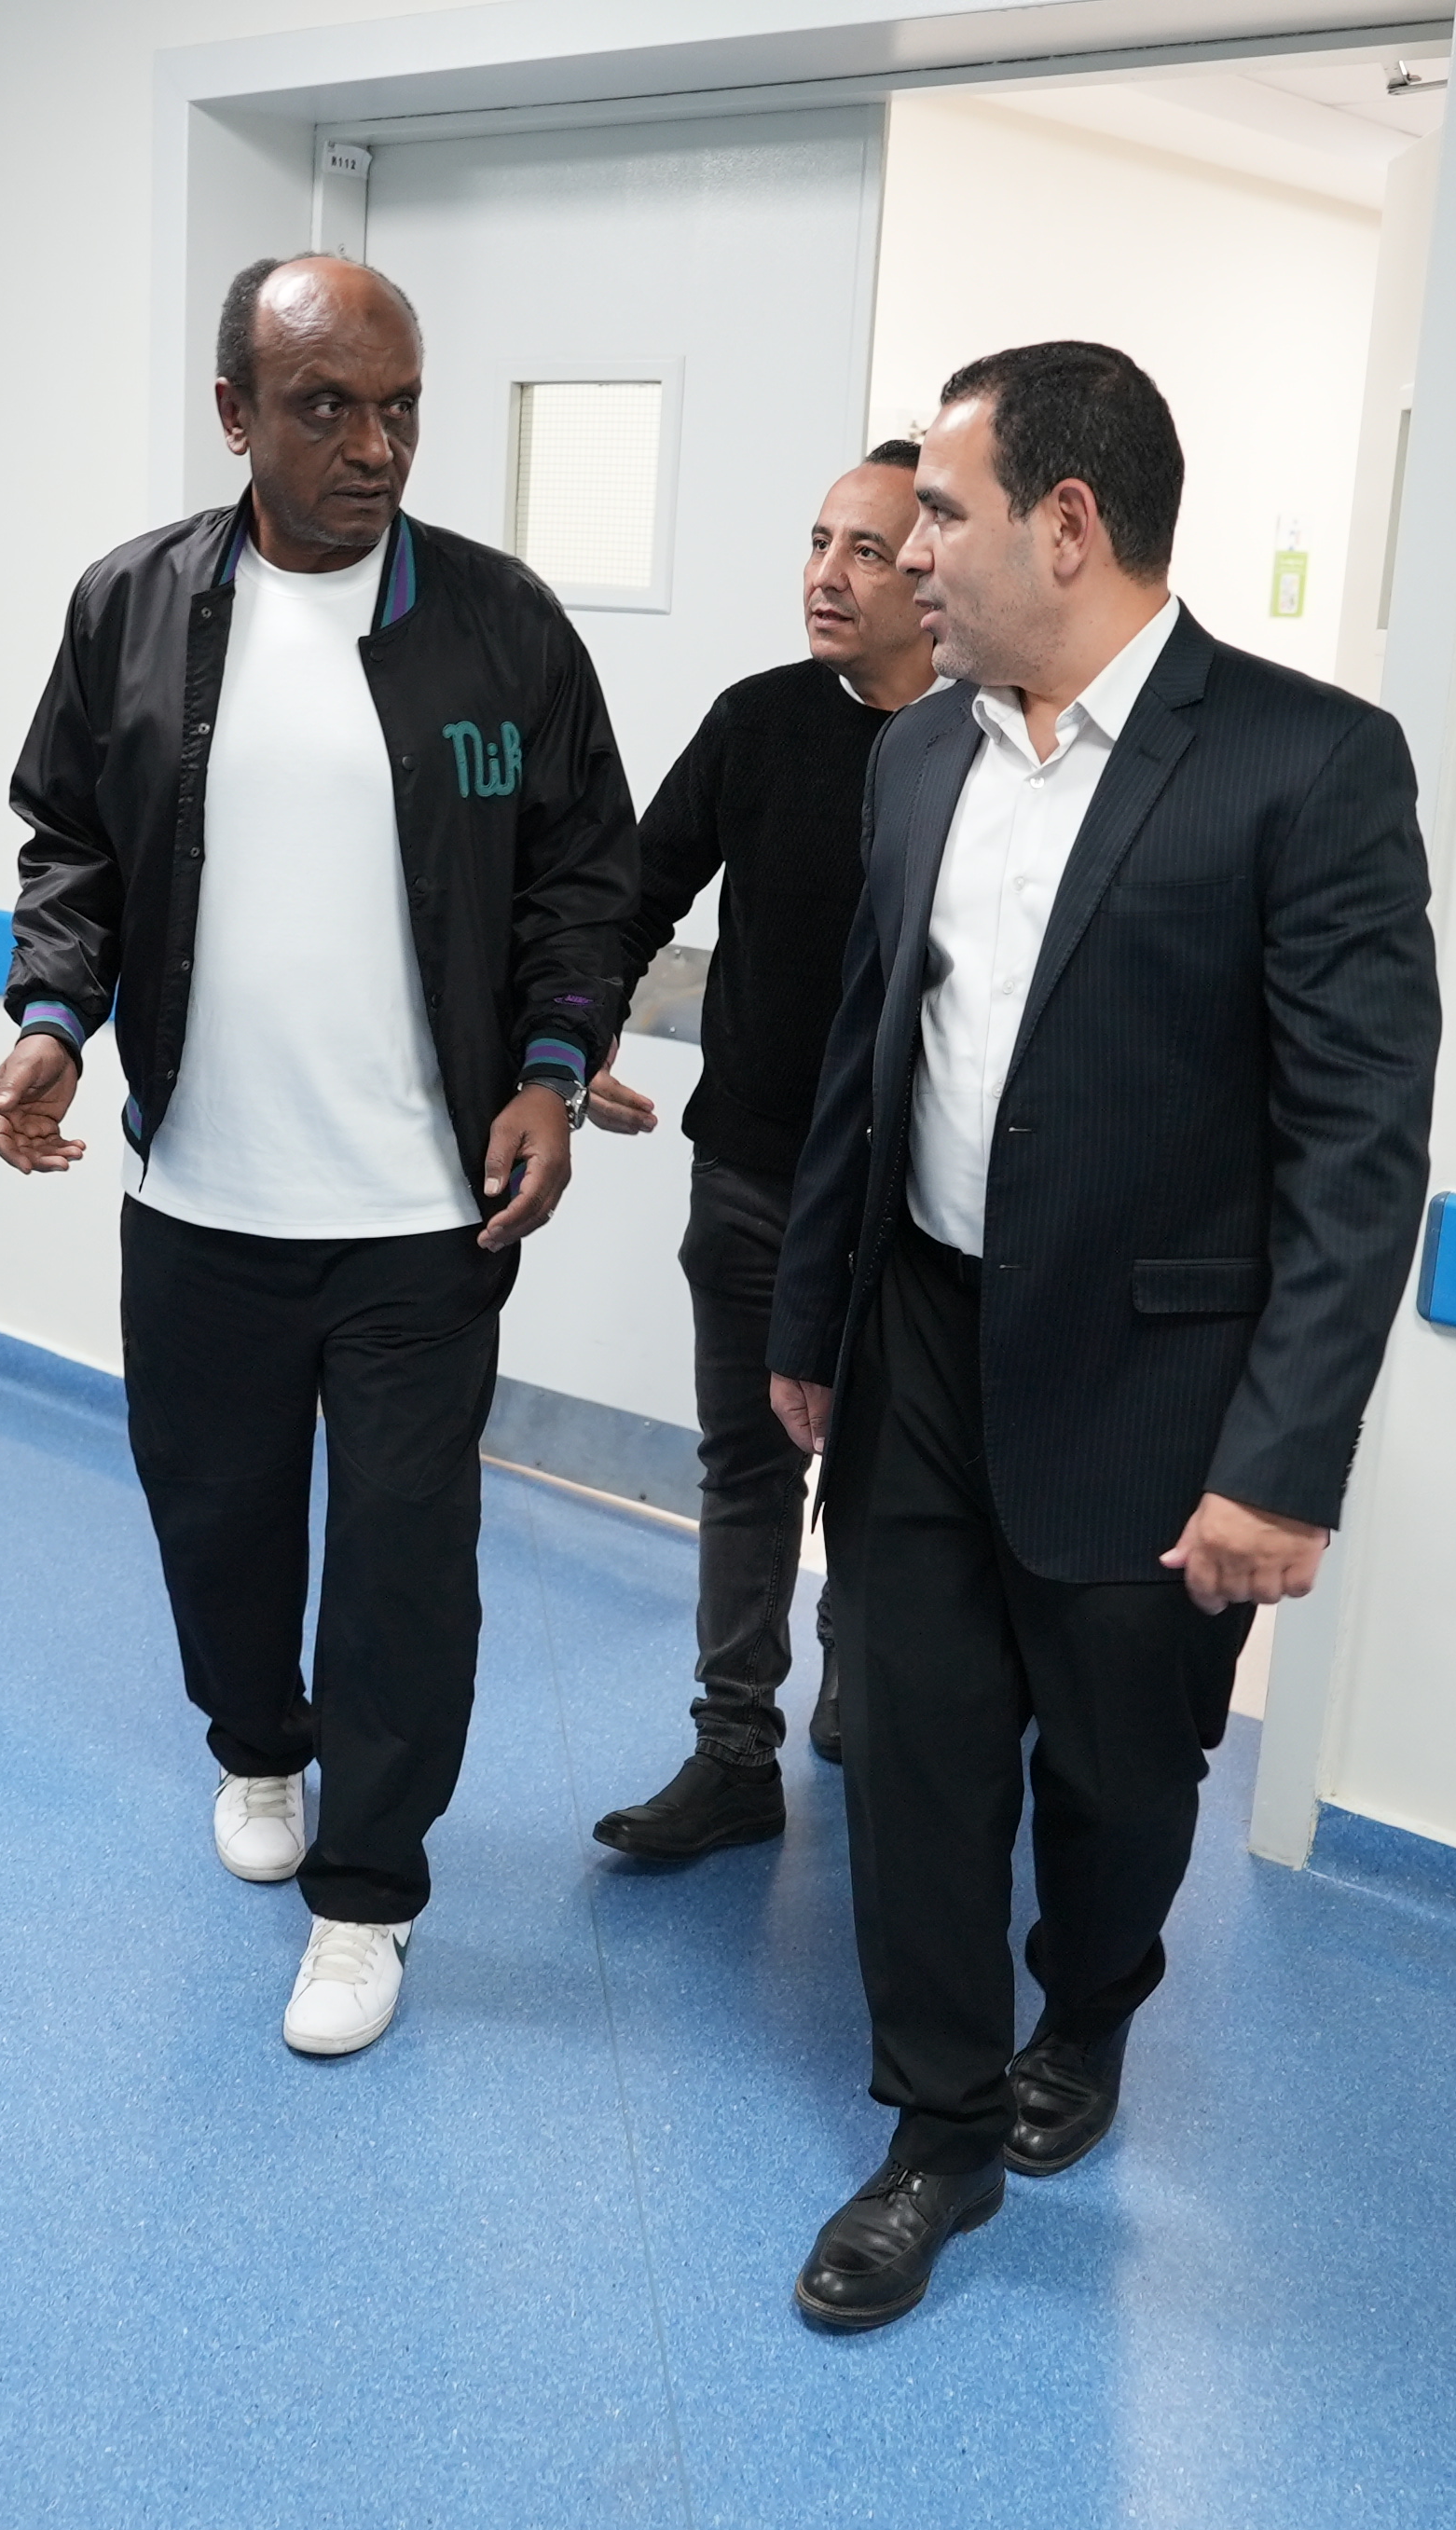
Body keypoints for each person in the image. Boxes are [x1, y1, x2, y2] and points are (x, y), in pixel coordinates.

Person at [764, 343, 1440, 2329]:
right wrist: (809, 1321)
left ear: (1065, 526)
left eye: (941, 514)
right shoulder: (916, 754)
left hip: (1157, 1393)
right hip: (918, 1335)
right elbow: (862, 1059)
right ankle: (938, 2130)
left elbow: (1356, 1151)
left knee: (1123, 1778)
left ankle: (1089, 2005)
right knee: (908, 1742)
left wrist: (1280, 1466)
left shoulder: (1305, 767)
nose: (908, 552)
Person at [0, 255, 636, 2060]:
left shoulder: (502, 626)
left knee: (405, 1566)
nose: (374, 447)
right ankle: (259, 1748)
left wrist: (552, 1066)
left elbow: (584, 874)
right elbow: (70, 843)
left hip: (423, 1216)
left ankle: (369, 1895)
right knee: (216, 1524)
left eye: (400, 407)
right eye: (325, 407)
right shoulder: (131, 607)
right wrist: (52, 1018)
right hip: (203, 1197)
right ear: (234, 415)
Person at [584, 443, 936, 1863]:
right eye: (818, 541)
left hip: (915, 1204)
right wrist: (570, 1042)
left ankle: (859, 1679)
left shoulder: (990, 749)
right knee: (747, 1464)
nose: (824, 575)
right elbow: (630, 897)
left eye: (867, 550)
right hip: (749, 1174)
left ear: (932, 572)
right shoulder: (760, 722)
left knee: (886, 1472)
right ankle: (734, 1747)